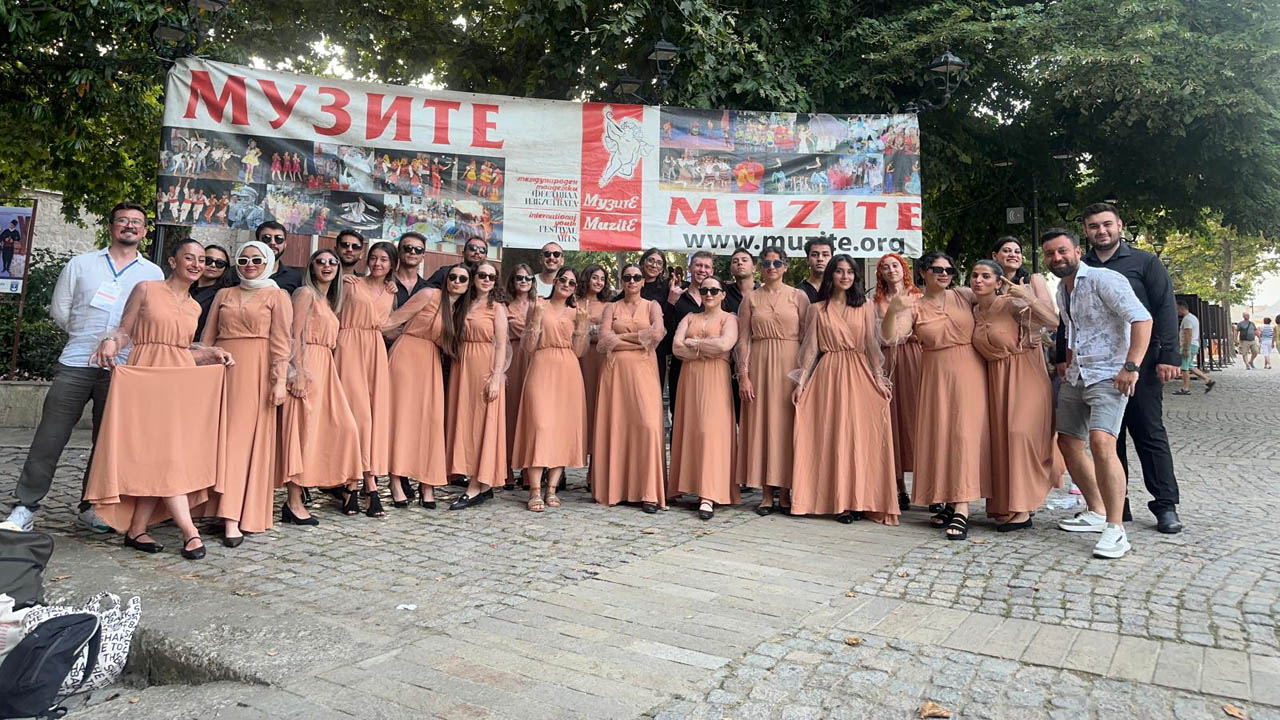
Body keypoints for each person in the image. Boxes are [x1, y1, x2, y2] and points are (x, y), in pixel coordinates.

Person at [5, 203, 163, 533]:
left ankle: (91, 506)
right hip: (77, 360)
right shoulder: (82, 264)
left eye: (136, 223)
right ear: (111, 227)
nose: (129, 226)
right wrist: (89, 339)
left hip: (122, 367)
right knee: (50, 435)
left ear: (145, 232)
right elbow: (60, 310)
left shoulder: (152, 274)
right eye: (123, 221)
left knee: (107, 441)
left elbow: (149, 321)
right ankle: (25, 506)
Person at [83, 239, 235, 560]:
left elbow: (181, 349)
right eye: (189, 258)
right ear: (172, 261)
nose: (196, 264)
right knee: (162, 455)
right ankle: (188, 531)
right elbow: (125, 331)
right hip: (145, 381)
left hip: (177, 384)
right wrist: (111, 342)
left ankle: (137, 528)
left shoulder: (195, 306)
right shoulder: (146, 289)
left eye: (201, 259)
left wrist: (210, 352)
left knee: (164, 455)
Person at [1071, 203, 1184, 534]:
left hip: (1143, 364)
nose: (1101, 231)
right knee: (1108, 439)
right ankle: (1118, 506)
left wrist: (1170, 357)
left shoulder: (1144, 262)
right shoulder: (1081, 266)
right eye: (1093, 226)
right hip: (1099, 369)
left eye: (1107, 224)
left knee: (1149, 433)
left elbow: (1163, 309)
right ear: (1086, 232)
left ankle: (1165, 505)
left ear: (1120, 226)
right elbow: (1071, 315)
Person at [1043, 228, 1152, 559]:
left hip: (1110, 375)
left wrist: (1130, 367)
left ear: (1078, 251)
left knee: (1103, 443)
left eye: (1062, 251)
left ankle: (1116, 529)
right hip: (1077, 376)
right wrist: (1068, 364)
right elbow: (1075, 331)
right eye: (1050, 253)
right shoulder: (1063, 290)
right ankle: (1096, 510)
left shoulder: (1105, 279)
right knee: (1068, 442)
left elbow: (1141, 319)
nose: (1056, 258)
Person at [882, 250, 988, 540]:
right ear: (923, 273)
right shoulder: (913, 305)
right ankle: (949, 498)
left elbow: (995, 295)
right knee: (942, 436)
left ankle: (963, 507)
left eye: (949, 270)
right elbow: (891, 337)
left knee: (963, 435)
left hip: (969, 371)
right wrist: (893, 310)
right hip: (933, 374)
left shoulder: (964, 295)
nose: (944, 274)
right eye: (938, 269)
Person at [791, 255, 897, 524]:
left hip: (859, 371)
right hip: (828, 373)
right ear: (831, 276)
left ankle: (860, 498)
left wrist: (880, 380)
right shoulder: (817, 309)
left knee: (859, 437)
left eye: (850, 272)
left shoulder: (866, 307)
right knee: (833, 435)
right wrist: (801, 382)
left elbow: (873, 347)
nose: (845, 276)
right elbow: (811, 348)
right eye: (839, 271)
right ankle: (839, 501)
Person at [200, 240, 291, 546]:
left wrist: (279, 382)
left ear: (267, 262)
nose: (249, 264)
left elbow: (282, 344)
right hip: (221, 372)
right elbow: (208, 338)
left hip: (256, 374)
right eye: (243, 259)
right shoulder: (224, 294)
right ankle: (211, 508)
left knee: (240, 444)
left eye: (256, 259)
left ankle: (233, 516)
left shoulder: (277, 296)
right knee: (218, 441)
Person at [969, 260, 1058, 532]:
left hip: (1026, 373)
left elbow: (1053, 322)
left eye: (986, 276)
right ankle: (1004, 506)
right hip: (995, 379)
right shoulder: (973, 309)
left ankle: (1022, 507)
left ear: (998, 282)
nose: (978, 280)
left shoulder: (1010, 304)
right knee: (1001, 441)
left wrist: (1028, 298)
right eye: (974, 275)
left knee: (1020, 434)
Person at [279, 249, 363, 523]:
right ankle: (293, 502)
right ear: (311, 267)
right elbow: (295, 334)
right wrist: (298, 371)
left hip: (327, 367)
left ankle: (331, 484)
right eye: (321, 261)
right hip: (309, 366)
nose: (327, 266)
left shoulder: (330, 302)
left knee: (344, 427)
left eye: (332, 262)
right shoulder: (305, 294)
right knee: (302, 432)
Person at [382, 267, 467, 509]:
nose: (457, 282)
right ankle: (396, 481)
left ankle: (427, 483)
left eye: (463, 279)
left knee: (429, 422)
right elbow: (392, 320)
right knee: (401, 420)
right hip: (407, 356)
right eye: (453, 277)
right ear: (445, 279)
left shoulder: (460, 310)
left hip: (431, 362)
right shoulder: (429, 294)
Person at [736, 247, 809, 513]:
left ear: (786, 266)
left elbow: (807, 338)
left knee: (788, 426)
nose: (772, 267)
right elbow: (743, 339)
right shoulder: (751, 299)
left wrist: (803, 375)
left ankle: (788, 491)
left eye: (777, 262)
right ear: (759, 267)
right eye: (766, 263)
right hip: (760, 364)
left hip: (790, 365)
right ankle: (766, 492)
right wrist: (743, 374)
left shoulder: (798, 297)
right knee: (763, 425)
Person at [512, 267, 590, 511]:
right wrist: (534, 318)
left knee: (561, 429)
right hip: (542, 365)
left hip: (568, 369)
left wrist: (582, 324)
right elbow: (527, 345)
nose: (566, 284)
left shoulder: (576, 312)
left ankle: (552, 489)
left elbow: (580, 351)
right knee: (539, 425)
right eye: (563, 280)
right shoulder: (539, 305)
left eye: (572, 282)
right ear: (554, 282)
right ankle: (534, 489)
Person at [593, 263, 667, 512]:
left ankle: (648, 492)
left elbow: (657, 334)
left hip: (644, 372)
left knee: (647, 425)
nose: (632, 281)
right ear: (621, 280)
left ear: (643, 281)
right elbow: (604, 340)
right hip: (615, 373)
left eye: (637, 277)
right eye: (627, 277)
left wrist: (621, 339)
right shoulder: (611, 307)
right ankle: (617, 488)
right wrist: (639, 339)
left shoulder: (652, 306)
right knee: (617, 425)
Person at [669, 277, 740, 520]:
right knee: (691, 429)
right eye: (705, 290)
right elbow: (676, 348)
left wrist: (695, 344)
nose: (709, 294)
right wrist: (703, 347)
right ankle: (687, 485)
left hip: (716, 380)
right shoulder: (690, 318)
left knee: (711, 432)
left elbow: (725, 344)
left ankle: (709, 494)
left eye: (714, 290)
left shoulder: (730, 318)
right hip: (690, 380)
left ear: (722, 294)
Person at [335, 241, 396, 515]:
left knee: (373, 417)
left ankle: (358, 484)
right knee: (356, 416)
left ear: (391, 264)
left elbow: (386, 325)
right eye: (374, 258)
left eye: (384, 259)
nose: (378, 263)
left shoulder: (390, 292)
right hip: (349, 346)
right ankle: (362, 483)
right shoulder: (351, 283)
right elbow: (334, 315)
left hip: (375, 350)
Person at [446, 262, 509, 510]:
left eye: (491, 277)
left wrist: (496, 377)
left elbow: (502, 345)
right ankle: (482, 484)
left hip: (485, 368)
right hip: (462, 368)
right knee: (465, 421)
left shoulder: (497, 308)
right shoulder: (463, 303)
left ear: (495, 282)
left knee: (483, 423)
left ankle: (476, 484)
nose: (486, 279)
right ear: (473, 278)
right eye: (481, 275)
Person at [873, 252, 922, 511]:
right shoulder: (876, 301)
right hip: (887, 359)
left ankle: (927, 488)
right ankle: (899, 486)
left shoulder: (918, 297)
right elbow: (874, 334)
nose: (891, 270)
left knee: (916, 419)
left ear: (904, 269)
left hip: (913, 359)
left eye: (895, 266)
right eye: (885, 267)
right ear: (880, 273)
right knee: (891, 421)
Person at [666, 251, 715, 419]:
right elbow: (666, 333)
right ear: (689, 268)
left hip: (711, 366)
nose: (702, 270)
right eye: (698, 265)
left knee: (708, 416)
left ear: (712, 271)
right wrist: (671, 302)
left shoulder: (719, 296)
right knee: (681, 415)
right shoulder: (677, 295)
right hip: (681, 366)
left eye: (706, 266)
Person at [576, 264, 611, 485]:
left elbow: (609, 335)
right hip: (577, 360)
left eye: (602, 279)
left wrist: (590, 330)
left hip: (600, 361)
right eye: (594, 277)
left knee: (598, 410)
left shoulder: (609, 306)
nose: (598, 282)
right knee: (578, 409)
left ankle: (594, 472)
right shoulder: (574, 302)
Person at [503, 264, 537, 489]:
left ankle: (528, 467)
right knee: (510, 411)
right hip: (512, 359)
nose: (523, 281)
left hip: (535, 360)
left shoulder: (539, 305)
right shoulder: (504, 306)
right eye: (519, 278)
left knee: (532, 414)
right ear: (512, 281)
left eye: (527, 277)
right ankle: (505, 467)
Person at [191, 244, 232, 340]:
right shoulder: (185, 287)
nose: (213, 265)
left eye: (219, 263)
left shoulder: (225, 294)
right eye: (208, 260)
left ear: (225, 268)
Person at [1175, 301, 1215, 394]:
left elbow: (1188, 334)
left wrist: (1185, 348)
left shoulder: (1187, 319)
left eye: (1177, 309)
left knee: (1184, 367)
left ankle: (1186, 388)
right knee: (1190, 366)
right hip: (1194, 344)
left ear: (1181, 308)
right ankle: (1208, 380)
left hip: (1189, 345)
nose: (1176, 311)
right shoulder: (1193, 318)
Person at [254, 221, 303, 295]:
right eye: (266, 238)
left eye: (278, 239)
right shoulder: (238, 273)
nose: (273, 243)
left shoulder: (295, 277)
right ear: (257, 242)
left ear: (285, 244)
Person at [391, 231, 430, 307]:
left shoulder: (428, 288)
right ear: (398, 252)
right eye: (408, 248)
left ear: (423, 257)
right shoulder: (385, 282)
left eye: (418, 249)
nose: (413, 252)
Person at [799, 237, 834, 303]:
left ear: (832, 259)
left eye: (825, 255)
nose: (820, 259)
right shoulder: (798, 291)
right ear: (807, 260)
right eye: (814, 255)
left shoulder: (838, 289)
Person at [724, 248, 758, 314]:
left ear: (753, 268)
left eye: (744, 260)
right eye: (735, 261)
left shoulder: (763, 291)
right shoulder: (723, 292)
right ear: (731, 270)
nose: (740, 263)